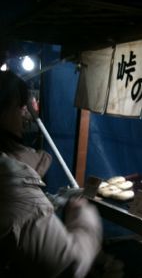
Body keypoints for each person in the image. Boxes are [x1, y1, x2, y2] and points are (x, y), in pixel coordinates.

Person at [0, 71, 102, 277]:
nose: (25, 116)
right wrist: (85, 220)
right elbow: (70, 264)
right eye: (19, 108)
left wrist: (46, 202)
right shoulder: (11, 183)